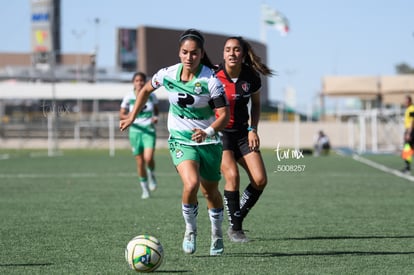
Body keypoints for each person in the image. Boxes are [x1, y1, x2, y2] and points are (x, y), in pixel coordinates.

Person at [120, 29, 230, 256]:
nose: (189, 57)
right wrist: (132, 116)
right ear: (179, 53)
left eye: (194, 53)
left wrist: (207, 131)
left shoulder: (211, 81)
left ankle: (217, 234)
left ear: (201, 54)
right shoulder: (167, 74)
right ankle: (190, 231)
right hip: (181, 141)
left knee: (210, 192)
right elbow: (146, 89)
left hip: (209, 143)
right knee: (190, 184)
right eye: (185, 52)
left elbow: (224, 116)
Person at [215, 36, 272, 243]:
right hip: (221, 135)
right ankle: (236, 230)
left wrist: (252, 129)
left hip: (242, 133)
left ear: (242, 53)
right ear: (223, 53)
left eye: (236, 50)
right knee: (232, 177)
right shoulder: (214, 75)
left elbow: (256, 105)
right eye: (228, 49)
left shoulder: (251, 77)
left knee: (260, 180)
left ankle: (236, 217)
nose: (231, 53)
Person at [120, 72, 159, 199]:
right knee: (140, 162)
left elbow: (156, 110)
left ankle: (151, 174)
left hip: (149, 131)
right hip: (135, 132)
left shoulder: (152, 95)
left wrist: (155, 117)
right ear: (133, 82)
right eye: (136, 80)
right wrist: (131, 116)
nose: (139, 83)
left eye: (141, 80)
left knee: (148, 158)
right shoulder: (129, 96)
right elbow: (121, 114)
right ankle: (145, 189)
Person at [401, 95, 414, 174]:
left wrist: (409, 133)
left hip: (411, 131)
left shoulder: (412, 109)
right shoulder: (408, 109)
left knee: (408, 148)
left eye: (406, 101)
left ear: (409, 101)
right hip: (409, 130)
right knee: (407, 149)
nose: (404, 103)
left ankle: (407, 168)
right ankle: (407, 167)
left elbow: (412, 121)